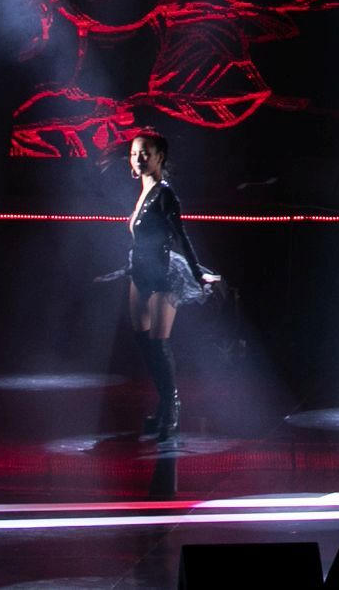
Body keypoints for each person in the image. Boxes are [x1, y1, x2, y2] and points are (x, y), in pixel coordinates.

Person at [122, 133, 219, 445]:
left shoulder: (166, 194)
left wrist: (197, 272)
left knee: (158, 343)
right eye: (134, 153)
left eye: (145, 153)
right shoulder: (143, 192)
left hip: (165, 275)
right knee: (144, 343)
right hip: (140, 273)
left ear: (159, 157)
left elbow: (182, 236)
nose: (139, 158)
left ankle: (172, 407)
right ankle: (164, 403)